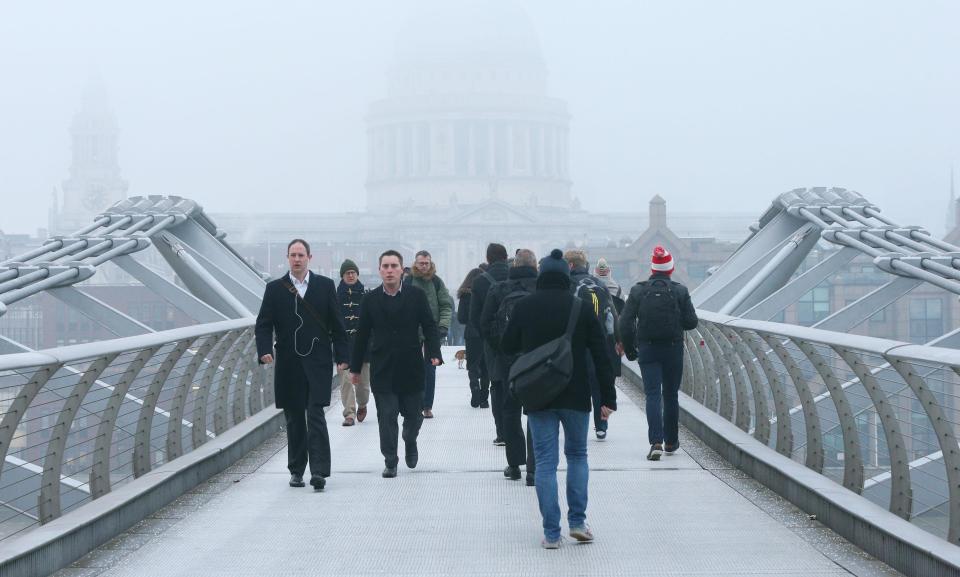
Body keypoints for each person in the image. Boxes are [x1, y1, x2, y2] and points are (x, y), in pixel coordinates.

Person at [501, 249, 617, 549]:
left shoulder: (525, 307)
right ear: (566, 277)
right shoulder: (579, 307)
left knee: (545, 463)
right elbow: (602, 355)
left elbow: (507, 345)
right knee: (577, 456)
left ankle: (552, 533)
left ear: (542, 276)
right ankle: (577, 522)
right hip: (576, 392)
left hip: (539, 393)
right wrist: (607, 397)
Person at [255, 239, 349, 491]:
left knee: (315, 414)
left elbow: (337, 324)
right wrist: (264, 349)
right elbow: (263, 323)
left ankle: (319, 471)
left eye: (301, 255)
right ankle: (296, 470)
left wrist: (342, 356)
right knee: (295, 418)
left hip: (317, 361)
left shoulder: (325, 286)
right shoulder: (275, 289)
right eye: (292, 255)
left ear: (309, 257)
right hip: (288, 363)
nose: (297, 259)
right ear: (287, 258)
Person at [351, 250, 443, 478]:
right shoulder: (370, 299)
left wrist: (434, 352)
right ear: (380, 270)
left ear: (402, 270)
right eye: (385, 266)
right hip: (382, 367)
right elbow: (361, 334)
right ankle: (390, 460)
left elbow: (429, 326)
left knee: (414, 416)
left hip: (411, 365)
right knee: (387, 416)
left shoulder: (416, 296)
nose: (390, 270)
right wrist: (355, 368)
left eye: (394, 266)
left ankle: (409, 440)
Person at [619, 245, 698, 460]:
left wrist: (630, 348)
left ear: (652, 268)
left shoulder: (638, 290)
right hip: (673, 348)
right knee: (671, 395)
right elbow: (692, 323)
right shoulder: (680, 291)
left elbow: (624, 322)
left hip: (648, 348)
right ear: (671, 269)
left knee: (652, 395)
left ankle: (655, 442)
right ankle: (671, 442)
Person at [480, 248, 538, 484]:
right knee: (535, 412)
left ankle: (514, 465)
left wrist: (503, 347)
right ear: (535, 266)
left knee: (510, 412)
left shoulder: (499, 289)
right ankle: (534, 468)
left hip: (508, 361)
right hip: (537, 361)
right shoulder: (542, 288)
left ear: (513, 266)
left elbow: (484, 324)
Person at [566, 249, 623, 440]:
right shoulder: (598, 284)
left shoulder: (568, 284)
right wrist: (617, 339)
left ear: (570, 265)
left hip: (575, 344)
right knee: (598, 383)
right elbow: (611, 313)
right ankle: (601, 426)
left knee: (576, 383)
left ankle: (575, 425)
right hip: (599, 342)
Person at [405, 250, 454, 419]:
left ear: (430, 263)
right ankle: (414, 404)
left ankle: (427, 405)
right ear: (415, 263)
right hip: (410, 333)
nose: (424, 266)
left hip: (431, 333)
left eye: (426, 263)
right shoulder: (408, 281)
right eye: (421, 263)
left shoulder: (436, 282)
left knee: (430, 369)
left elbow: (446, 305)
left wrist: (443, 326)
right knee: (411, 369)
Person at [469, 242, 510, 445]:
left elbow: (474, 317)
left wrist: (488, 337)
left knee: (497, 384)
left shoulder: (480, 282)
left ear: (488, 259)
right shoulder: (517, 278)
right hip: (518, 341)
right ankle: (516, 428)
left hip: (492, 342)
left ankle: (502, 432)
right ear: (506, 256)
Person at [336, 258, 370, 427]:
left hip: (363, 346)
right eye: (347, 273)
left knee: (363, 384)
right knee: (345, 382)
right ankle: (349, 413)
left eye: (353, 273)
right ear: (342, 276)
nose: (350, 275)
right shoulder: (334, 297)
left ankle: (362, 404)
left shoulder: (367, 295)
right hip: (342, 345)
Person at [457, 265, 490, 408]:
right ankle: (484, 397)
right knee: (486, 365)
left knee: (473, 365)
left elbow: (461, 318)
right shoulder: (488, 293)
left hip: (471, 333)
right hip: (486, 333)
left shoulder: (465, 296)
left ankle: (475, 391)